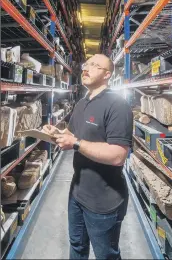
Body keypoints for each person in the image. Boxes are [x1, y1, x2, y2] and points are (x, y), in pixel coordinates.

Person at [43, 54, 133, 260]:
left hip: (104, 200)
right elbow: (72, 135)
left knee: (106, 255)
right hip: (77, 192)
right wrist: (55, 133)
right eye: (86, 64)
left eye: (95, 65)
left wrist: (75, 143)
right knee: (77, 246)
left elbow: (118, 155)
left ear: (107, 74)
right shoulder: (82, 104)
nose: (87, 68)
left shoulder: (117, 105)